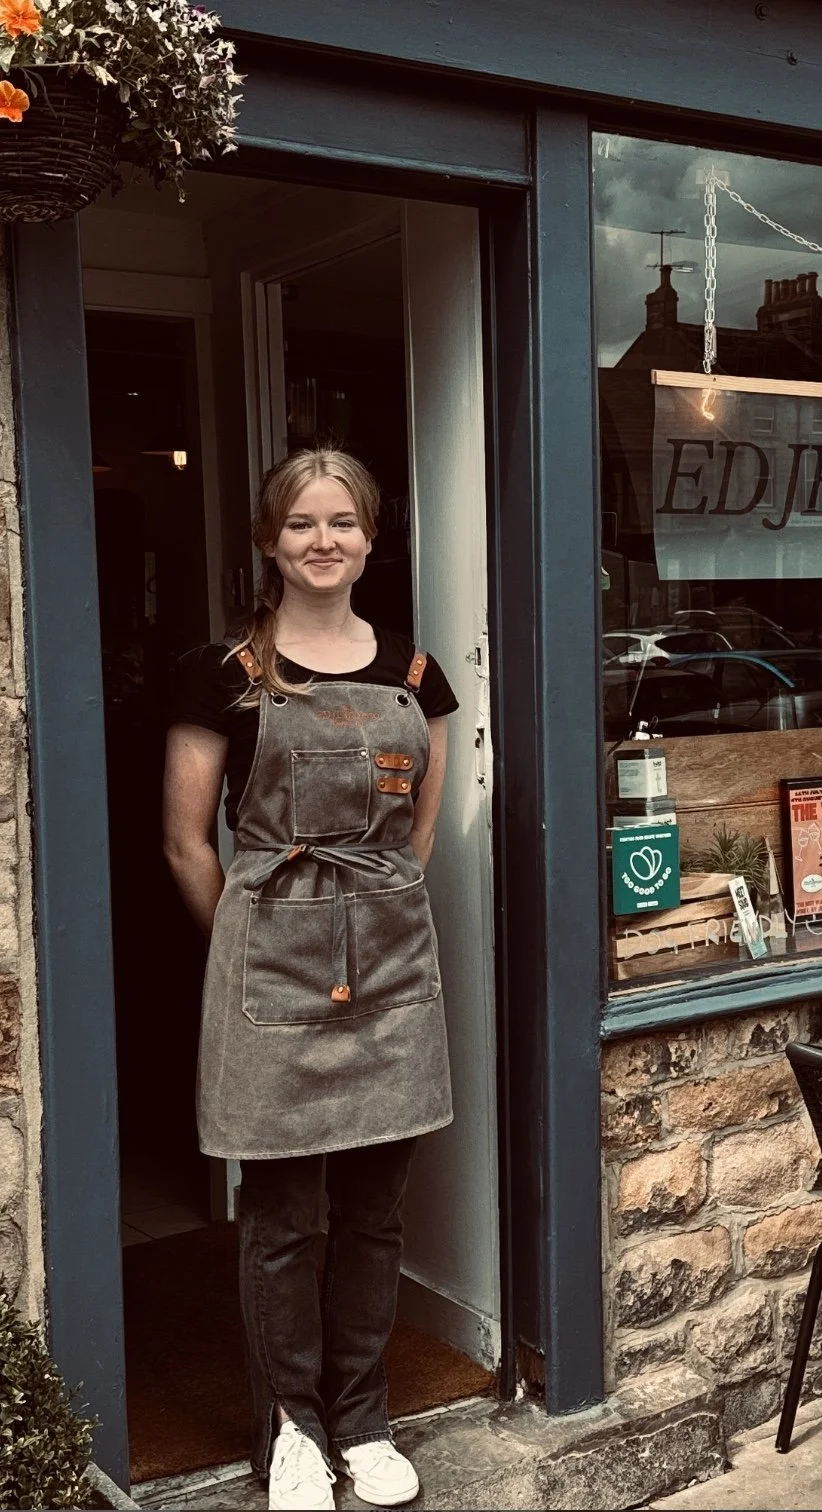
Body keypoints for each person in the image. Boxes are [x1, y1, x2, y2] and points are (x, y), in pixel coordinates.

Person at [163, 448, 457, 1510]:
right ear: (268, 541)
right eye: (301, 524)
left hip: (387, 965)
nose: (322, 541)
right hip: (270, 965)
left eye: (342, 522)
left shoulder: (417, 675)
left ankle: (365, 1421)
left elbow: (418, 836)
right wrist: (254, 940)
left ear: (371, 538)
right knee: (285, 1216)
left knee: (375, 1210)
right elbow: (188, 841)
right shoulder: (223, 673)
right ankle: (290, 1429)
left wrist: (361, 920)